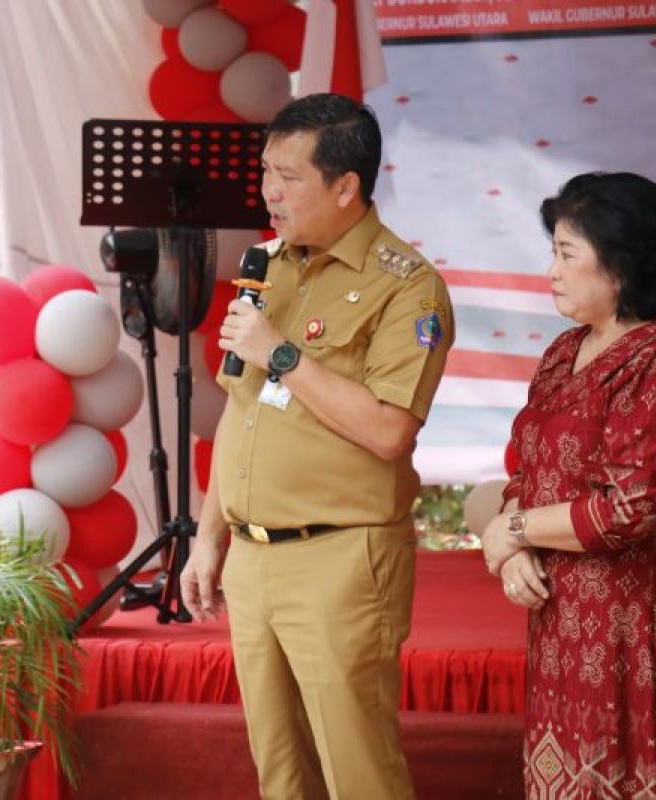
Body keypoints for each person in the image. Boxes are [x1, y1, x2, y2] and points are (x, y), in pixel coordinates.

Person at [181, 93, 454, 800]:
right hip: (251, 556)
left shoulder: (408, 287)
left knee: (357, 770)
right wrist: (209, 538)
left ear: (345, 186)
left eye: (288, 176)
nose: (269, 192)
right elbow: (240, 416)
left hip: (341, 557)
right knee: (281, 774)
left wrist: (281, 355)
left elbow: (390, 430)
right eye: (266, 171)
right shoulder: (265, 263)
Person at [481, 172, 656, 797]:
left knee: (629, 774)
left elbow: (628, 510)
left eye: (566, 253)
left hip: (631, 615)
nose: (551, 270)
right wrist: (516, 548)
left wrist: (514, 529)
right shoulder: (564, 350)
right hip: (560, 609)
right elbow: (524, 465)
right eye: (552, 251)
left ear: (621, 264)